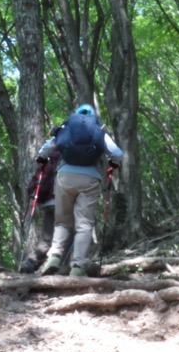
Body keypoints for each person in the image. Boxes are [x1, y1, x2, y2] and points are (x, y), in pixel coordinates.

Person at [38, 104, 123, 277]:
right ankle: (78, 267)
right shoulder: (98, 130)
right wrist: (113, 164)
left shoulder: (67, 128)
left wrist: (41, 159)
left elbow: (45, 149)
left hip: (65, 176)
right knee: (84, 224)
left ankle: (54, 257)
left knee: (62, 222)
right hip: (90, 178)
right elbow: (117, 153)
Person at [19, 139, 61, 274]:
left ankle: (30, 263)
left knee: (47, 239)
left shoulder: (50, 149)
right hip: (64, 201)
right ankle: (57, 265)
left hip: (48, 203)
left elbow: (41, 154)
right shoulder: (71, 152)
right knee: (68, 235)